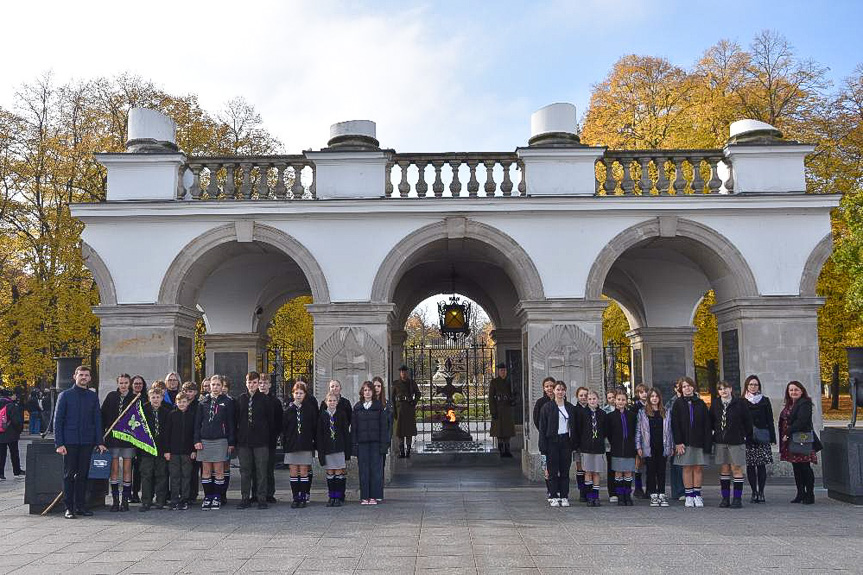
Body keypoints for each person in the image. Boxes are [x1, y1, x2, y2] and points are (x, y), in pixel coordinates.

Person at [54, 366, 106, 519]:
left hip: (87, 442)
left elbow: (97, 420)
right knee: (69, 475)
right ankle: (69, 508)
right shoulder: (65, 395)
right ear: (74, 376)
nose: (84, 377)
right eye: (81, 374)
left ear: (90, 378)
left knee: (83, 475)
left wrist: (99, 441)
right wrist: (59, 443)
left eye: (86, 375)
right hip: (69, 442)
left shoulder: (92, 397)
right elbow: (58, 421)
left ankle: (81, 506)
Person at [194, 374, 235, 510]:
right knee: (206, 470)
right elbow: (197, 423)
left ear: (222, 386)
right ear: (209, 386)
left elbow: (230, 423)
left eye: (218, 385)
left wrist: (231, 442)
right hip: (205, 440)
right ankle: (208, 496)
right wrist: (197, 440)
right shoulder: (203, 402)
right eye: (213, 384)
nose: (215, 387)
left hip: (220, 440)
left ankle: (217, 496)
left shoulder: (227, 402)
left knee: (218, 470)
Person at [710, 381, 753, 508]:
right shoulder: (715, 404)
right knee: (724, 469)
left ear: (731, 389)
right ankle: (725, 498)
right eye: (721, 389)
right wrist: (715, 434)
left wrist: (744, 435)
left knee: (736, 468)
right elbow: (711, 420)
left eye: (726, 388)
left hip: (736, 441)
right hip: (721, 441)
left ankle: (737, 498)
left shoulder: (740, 403)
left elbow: (747, 421)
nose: (724, 391)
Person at [671, 376, 711, 508]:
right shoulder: (678, 403)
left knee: (698, 467)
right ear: (681, 389)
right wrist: (678, 442)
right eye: (684, 386)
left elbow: (707, 424)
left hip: (699, 441)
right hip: (684, 442)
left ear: (693, 387)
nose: (687, 388)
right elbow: (675, 424)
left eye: (689, 386)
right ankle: (688, 495)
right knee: (687, 467)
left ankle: (697, 494)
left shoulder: (701, 403)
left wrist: (707, 443)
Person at [236, 371, 274, 510]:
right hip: (244, 442)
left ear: (258, 383)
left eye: (254, 382)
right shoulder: (241, 399)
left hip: (261, 441)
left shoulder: (265, 400)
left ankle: (261, 498)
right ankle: (245, 497)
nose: (252, 385)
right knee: (245, 470)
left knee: (261, 470)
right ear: (246, 383)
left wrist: (268, 439)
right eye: (249, 382)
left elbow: (270, 421)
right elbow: (236, 420)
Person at [780, 380, 821, 505]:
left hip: (802, 439)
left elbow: (801, 421)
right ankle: (800, 493)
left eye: (796, 389)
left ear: (801, 391)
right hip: (791, 440)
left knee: (805, 467)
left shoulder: (805, 403)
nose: (793, 392)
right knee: (796, 467)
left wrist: (787, 432)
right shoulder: (789, 404)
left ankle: (810, 494)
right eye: (791, 390)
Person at [100, 374, 136, 512]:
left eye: (126, 383)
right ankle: (115, 500)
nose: (123, 385)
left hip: (128, 439)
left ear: (129, 383)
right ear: (117, 383)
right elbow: (103, 415)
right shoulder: (111, 397)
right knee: (114, 469)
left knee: (127, 469)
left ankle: (125, 500)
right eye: (121, 383)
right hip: (113, 438)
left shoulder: (134, 398)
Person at [538, 381, 577, 507]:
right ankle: (554, 495)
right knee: (553, 470)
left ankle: (564, 496)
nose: (560, 392)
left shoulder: (570, 407)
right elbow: (543, 428)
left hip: (566, 441)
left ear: (565, 391)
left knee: (565, 470)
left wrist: (573, 444)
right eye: (558, 389)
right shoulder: (547, 407)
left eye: (562, 390)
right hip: (552, 442)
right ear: (553, 391)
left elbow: (574, 427)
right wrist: (543, 447)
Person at [635, 388, 673, 507]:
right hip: (648, 446)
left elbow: (670, 431)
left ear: (659, 398)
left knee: (661, 471)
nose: (654, 398)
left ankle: (662, 494)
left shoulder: (666, 412)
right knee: (651, 471)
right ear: (649, 399)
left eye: (656, 396)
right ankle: (653, 495)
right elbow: (638, 431)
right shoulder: (642, 412)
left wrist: (671, 446)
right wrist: (638, 446)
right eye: (652, 396)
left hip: (663, 445)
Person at [352, 381, 388, 505]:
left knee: (376, 470)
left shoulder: (378, 407)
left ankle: (374, 496)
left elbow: (384, 428)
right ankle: (364, 496)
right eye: (365, 390)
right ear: (362, 392)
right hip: (362, 444)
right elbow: (354, 428)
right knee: (363, 470)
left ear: (373, 392)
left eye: (369, 390)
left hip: (375, 443)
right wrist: (354, 445)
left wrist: (383, 445)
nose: (367, 392)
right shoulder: (357, 407)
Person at [284, 381, 318, 508]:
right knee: (293, 472)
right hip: (292, 445)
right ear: (293, 394)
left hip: (305, 444)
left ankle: (303, 496)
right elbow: (285, 428)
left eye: (301, 393)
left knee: (303, 471)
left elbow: (314, 427)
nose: (298, 395)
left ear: (305, 394)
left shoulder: (309, 409)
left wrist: (314, 442)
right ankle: (295, 497)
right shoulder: (288, 410)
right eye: (296, 393)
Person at [743, 374, 776, 503]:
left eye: (755, 384)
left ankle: (761, 492)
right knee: (750, 466)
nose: (753, 387)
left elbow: (770, 419)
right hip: (748, 437)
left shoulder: (765, 400)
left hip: (762, 436)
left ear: (759, 386)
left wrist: (772, 437)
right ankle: (753, 492)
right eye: (751, 384)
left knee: (761, 466)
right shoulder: (742, 401)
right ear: (747, 386)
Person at [573, 390, 607, 507]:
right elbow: (579, 430)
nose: (592, 401)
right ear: (587, 401)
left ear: (598, 400)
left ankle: (595, 496)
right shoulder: (583, 413)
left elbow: (605, 430)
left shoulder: (602, 414)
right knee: (587, 472)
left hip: (598, 448)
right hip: (586, 448)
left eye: (594, 399)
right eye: (590, 399)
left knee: (596, 472)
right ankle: (588, 496)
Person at [138, 388, 170, 512]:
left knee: (161, 475)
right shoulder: (143, 411)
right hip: (147, 449)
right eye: (153, 397)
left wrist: (167, 450)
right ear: (149, 398)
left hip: (161, 448)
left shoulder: (167, 412)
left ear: (162, 398)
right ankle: (146, 500)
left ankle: (160, 500)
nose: (156, 400)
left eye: (158, 397)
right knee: (146, 475)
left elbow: (168, 432)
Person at [318, 391, 352, 506]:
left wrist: (347, 450)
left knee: (338, 472)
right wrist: (321, 452)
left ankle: (338, 497)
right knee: (330, 472)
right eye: (330, 400)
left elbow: (345, 433)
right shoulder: (322, 415)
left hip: (339, 447)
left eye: (334, 401)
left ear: (337, 402)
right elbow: (320, 435)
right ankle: (331, 496)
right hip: (328, 448)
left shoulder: (341, 414)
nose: (332, 402)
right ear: (325, 402)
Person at [164, 392, 196, 511]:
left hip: (187, 452)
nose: (182, 404)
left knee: (186, 476)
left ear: (187, 403)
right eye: (179, 402)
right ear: (176, 403)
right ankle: (174, 499)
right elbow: (166, 434)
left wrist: (194, 450)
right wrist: (167, 450)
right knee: (174, 476)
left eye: (184, 402)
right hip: (173, 451)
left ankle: (184, 499)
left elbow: (194, 434)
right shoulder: (171, 415)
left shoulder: (192, 415)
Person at [607, 390, 639, 506]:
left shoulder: (632, 416)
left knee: (628, 473)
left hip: (629, 448)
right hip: (616, 448)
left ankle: (627, 495)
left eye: (623, 400)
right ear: (615, 401)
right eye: (619, 399)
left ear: (626, 401)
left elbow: (635, 432)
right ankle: (620, 496)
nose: (621, 402)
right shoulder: (610, 417)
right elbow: (608, 433)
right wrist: (614, 442)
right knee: (618, 473)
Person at [258, 374, 282, 504]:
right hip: (256, 440)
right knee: (256, 468)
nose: (262, 385)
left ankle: (269, 493)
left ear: (269, 385)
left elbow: (278, 420)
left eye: (265, 383)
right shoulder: (252, 399)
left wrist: (275, 434)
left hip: (270, 440)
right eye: (260, 383)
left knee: (268, 468)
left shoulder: (275, 401)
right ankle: (256, 493)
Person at [533, 376, 556, 502]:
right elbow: (536, 420)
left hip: (558, 440)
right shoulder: (540, 402)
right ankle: (550, 489)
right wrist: (544, 432)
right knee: (546, 465)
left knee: (557, 466)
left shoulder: (561, 400)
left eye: (552, 386)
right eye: (547, 386)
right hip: (544, 440)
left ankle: (557, 489)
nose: (549, 389)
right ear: (543, 388)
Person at [488, 363, 516, 458]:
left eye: (504, 370)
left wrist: (513, 400)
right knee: (499, 431)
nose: (503, 372)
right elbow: (491, 398)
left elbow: (514, 394)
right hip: (498, 409)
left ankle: (507, 450)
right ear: (498, 372)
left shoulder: (509, 381)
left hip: (507, 409)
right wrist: (493, 411)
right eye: (501, 371)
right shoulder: (494, 382)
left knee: (507, 431)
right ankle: (501, 450)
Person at [392, 365, 420, 458]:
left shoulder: (412, 383)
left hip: (409, 409)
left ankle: (408, 450)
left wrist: (414, 402)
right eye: (401, 372)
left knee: (409, 431)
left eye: (405, 371)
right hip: (399, 409)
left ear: (407, 373)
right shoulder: (396, 383)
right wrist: (394, 410)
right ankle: (401, 451)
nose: (403, 373)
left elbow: (418, 393)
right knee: (400, 432)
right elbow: (392, 397)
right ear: (400, 373)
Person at [372, 376, 393, 493]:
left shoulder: (387, 404)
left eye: (379, 386)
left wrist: (387, 440)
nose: (376, 388)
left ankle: (379, 491)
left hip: (382, 441)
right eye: (374, 386)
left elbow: (390, 425)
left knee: (380, 467)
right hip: (371, 440)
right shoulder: (368, 403)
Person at [128, 375, 147, 503]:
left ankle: (136, 492)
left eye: (140, 383)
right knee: (128, 467)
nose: (138, 385)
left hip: (142, 437)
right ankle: (127, 492)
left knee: (139, 467)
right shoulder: (128, 398)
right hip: (129, 435)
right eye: (135, 383)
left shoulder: (146, 399)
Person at [0, 388, 25, 480]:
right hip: (11, 433)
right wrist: (19, 430)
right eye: (14, 395)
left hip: (0, 433)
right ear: (10, 396)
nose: (15, 396)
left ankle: (1, 474)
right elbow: (16, 421)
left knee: (1, 454)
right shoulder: (11, 405)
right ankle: (17, 471)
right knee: (14, 453)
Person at [632, 383, 649, 499]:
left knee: (650, 465)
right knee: (638, 464)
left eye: (645, 392)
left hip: (650, 439)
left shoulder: (652, 405)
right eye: (641, 392)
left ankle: (649, 488)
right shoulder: (635, 408)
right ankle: (638, 488)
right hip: (639, 439)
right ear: (638, 394)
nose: (644, 394)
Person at [573, 386, 589, 500]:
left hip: (589, 445)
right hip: (578, 444)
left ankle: (589, 490)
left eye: (585, 395)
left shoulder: (591, 409)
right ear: (577, 397)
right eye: (581, 395)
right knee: (580, 468)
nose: (583, 397)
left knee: (589, 468)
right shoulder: (574, 410)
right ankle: (581, 491)